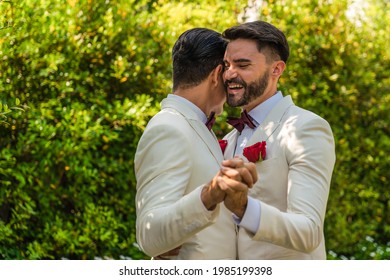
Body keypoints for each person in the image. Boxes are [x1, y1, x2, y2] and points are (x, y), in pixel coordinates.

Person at [134, 28, 257, 259]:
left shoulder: (195, 127)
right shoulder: (169, 128)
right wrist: (208, 195)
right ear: (216, 74)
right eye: (229, 72)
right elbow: (149, 235)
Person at [221, 20, 336, 259]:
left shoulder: (306, 128)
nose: (229, 73)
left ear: (276, 69)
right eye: (226, 65)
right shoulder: (229, 138)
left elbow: (308, 231)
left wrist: (244, 208)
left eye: (242, 65)